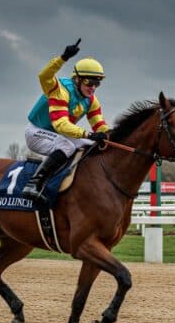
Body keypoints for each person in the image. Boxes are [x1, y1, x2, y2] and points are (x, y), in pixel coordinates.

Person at [22, 38, 110, 204]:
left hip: (57, 135)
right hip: (36, 132)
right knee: (67, 146)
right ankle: (33, 184)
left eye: (97, 83)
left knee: (91, 146)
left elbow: (99, 124)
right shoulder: (61, 90)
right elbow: (60, 124)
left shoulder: (91, 100)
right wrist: (63, 58)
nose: (93, 87)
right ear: (77, 79)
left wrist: (107, 135)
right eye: (89, 82)